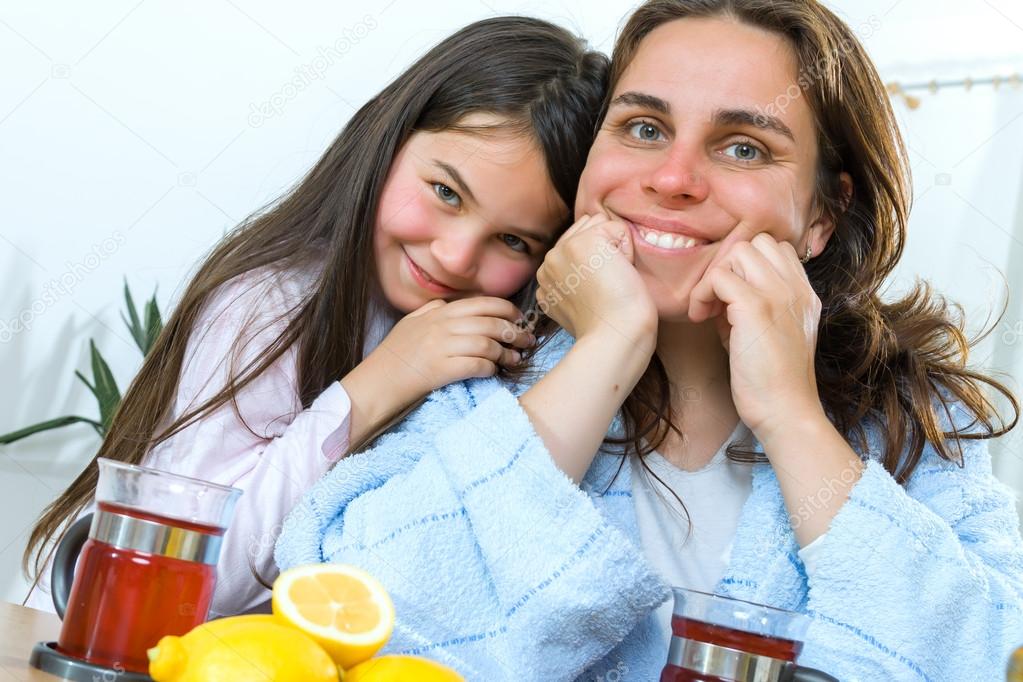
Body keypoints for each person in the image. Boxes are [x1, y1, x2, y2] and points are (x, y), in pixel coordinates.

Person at [275, 1, 1023, 679]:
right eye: (643, 128)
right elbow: (354, 626)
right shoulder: (482, 376)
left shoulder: (913, 418)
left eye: (743, 148)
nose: (672, 178)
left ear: (823, 214)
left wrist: (791, 416)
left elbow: (985, 658)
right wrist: (608, 346)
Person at [22, 16, 609, 616]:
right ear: (386, 137)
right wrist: (382, 381)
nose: (456, 257)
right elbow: (193, 579)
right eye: (446, 192)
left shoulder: (497, 350)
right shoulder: (270, 304)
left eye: (514, 240)